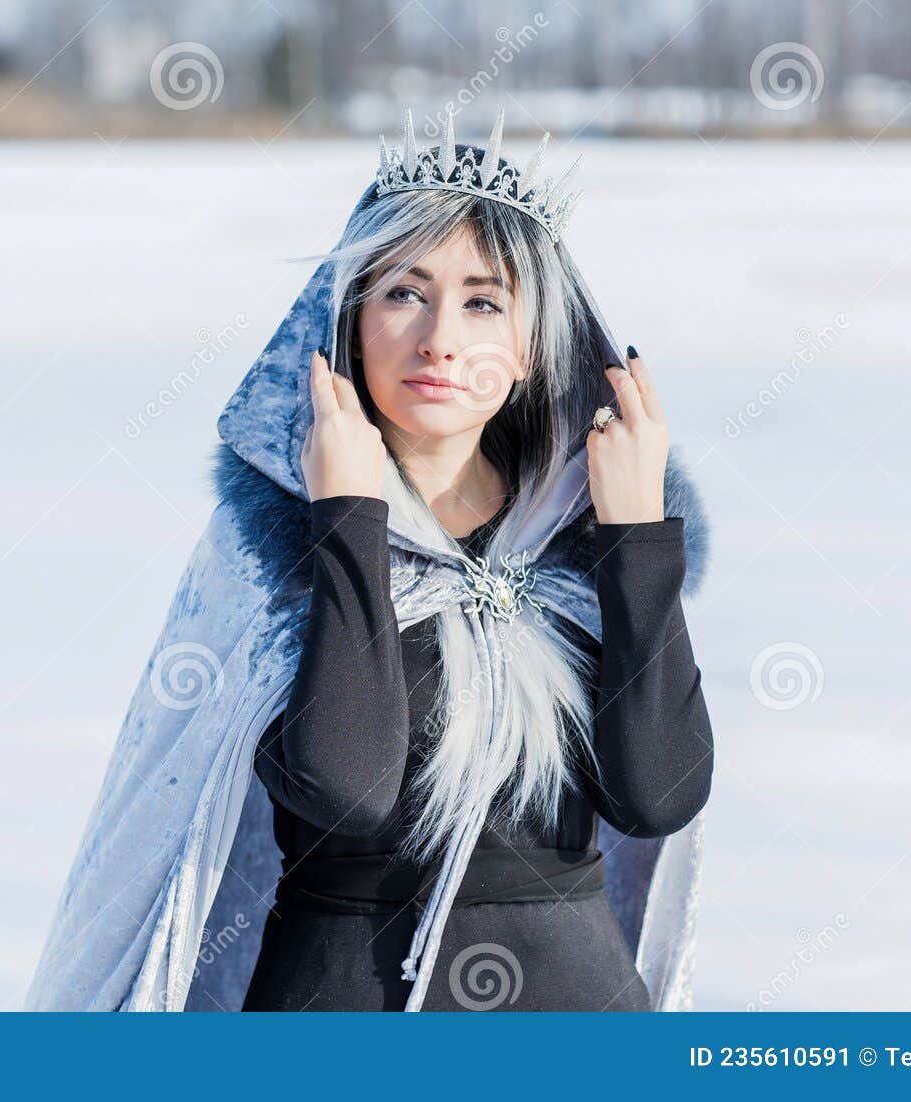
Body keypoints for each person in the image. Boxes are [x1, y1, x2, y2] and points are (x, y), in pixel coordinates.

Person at [238, 114, 714, 1012]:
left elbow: (659, 795)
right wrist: (348, 520)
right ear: (348, 319)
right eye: (404, 293)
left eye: (484, 301)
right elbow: (351, 792)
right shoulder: (279, 544)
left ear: (534, 345)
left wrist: (638, 539)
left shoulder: (585, 540)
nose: (441, 340)